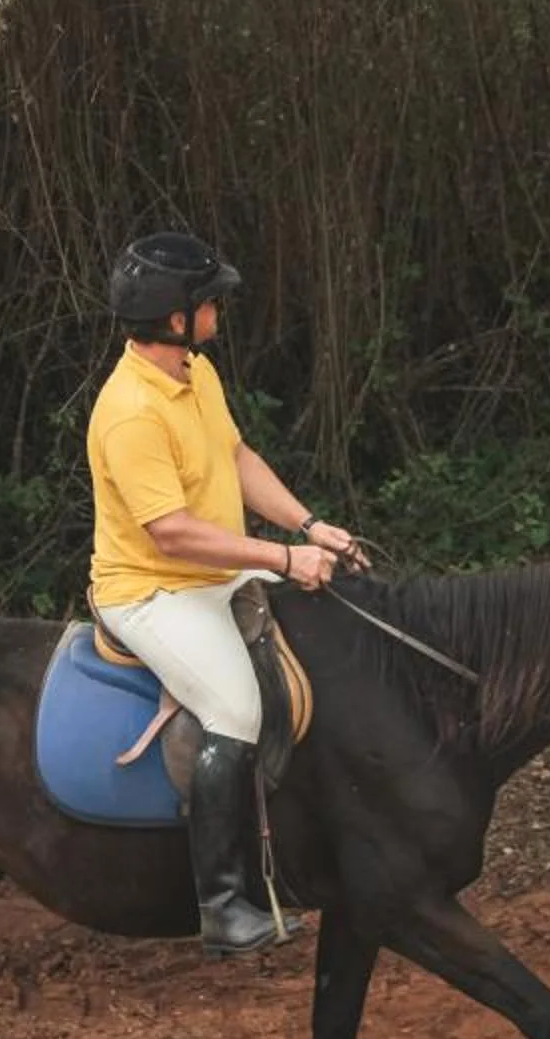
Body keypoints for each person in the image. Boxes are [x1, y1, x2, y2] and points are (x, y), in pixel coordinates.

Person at [87, 231, 367, 956]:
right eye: (209, 302)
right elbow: (172, 534)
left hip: (214, 573)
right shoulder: (131, 411)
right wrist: (282, 557)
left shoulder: (196, 374)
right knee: (235, 708)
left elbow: (236, 457)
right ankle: (221, 903)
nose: (218, 311)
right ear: (175, 317)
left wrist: (309, 526)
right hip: (154, 591)